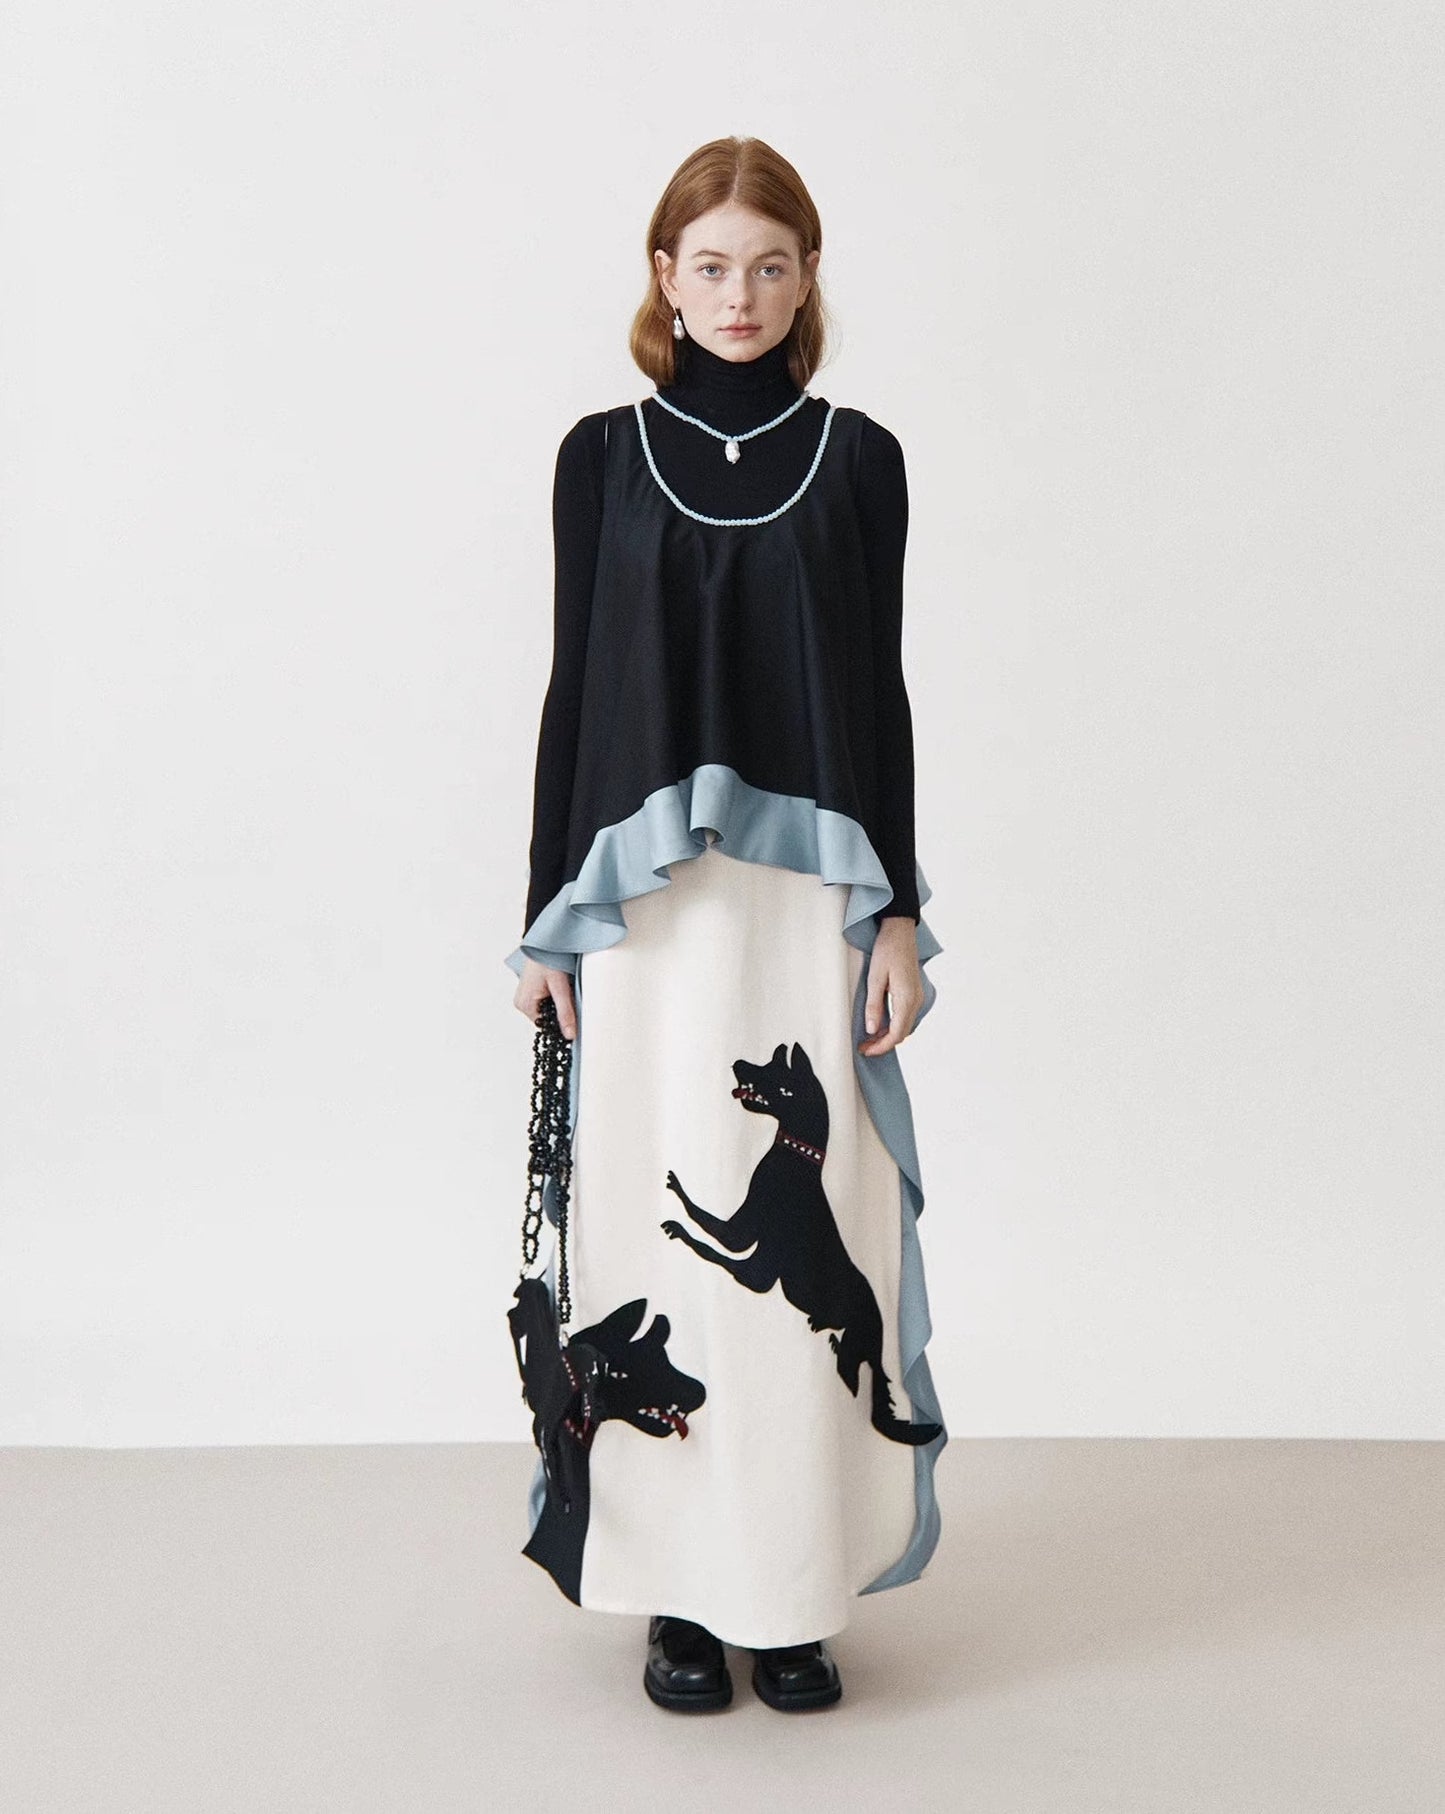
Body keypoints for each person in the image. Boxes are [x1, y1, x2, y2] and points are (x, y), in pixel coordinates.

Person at [505, 134, 947, 1715]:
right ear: (663, 276)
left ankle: (791, 1590)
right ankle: (680, 1596)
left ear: (807, 276)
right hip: (647, 918)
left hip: (802, 908)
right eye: (710, 265)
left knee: (820, 1234)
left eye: (769, 264)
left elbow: (879, 701)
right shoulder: (600, 457)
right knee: (652, 1222)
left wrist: (900, 916)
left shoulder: (861, 459)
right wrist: (542, 925)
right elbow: (572, 695)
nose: (739, 293)